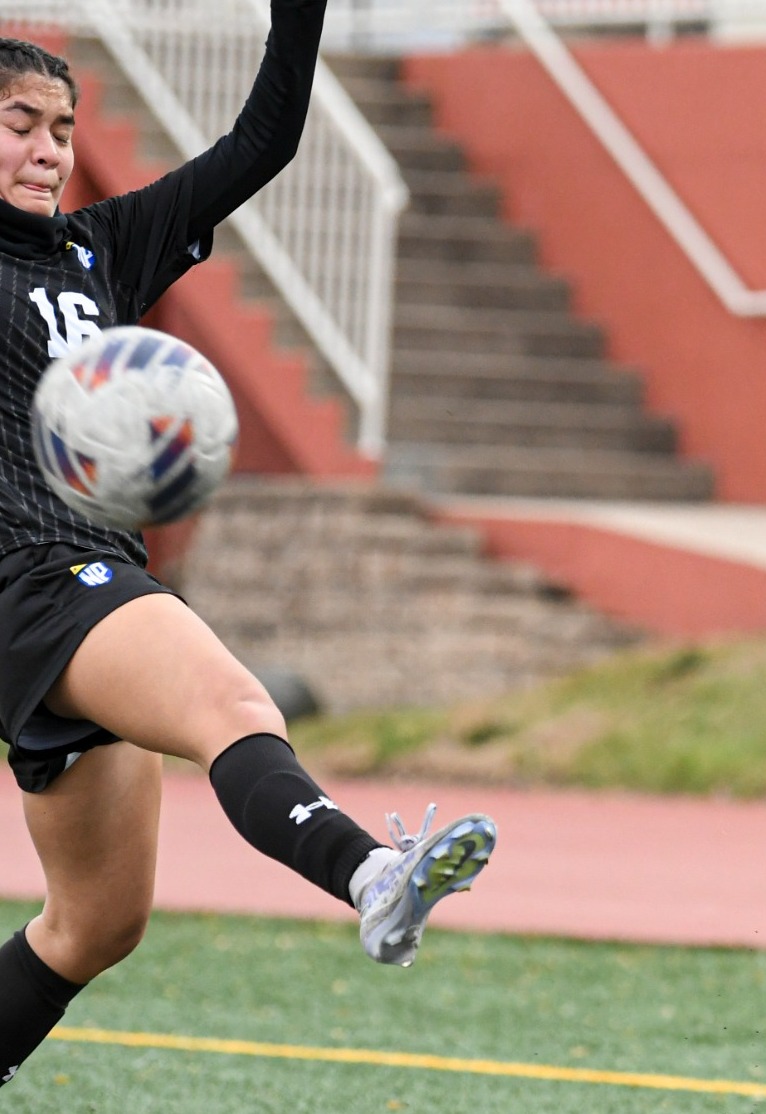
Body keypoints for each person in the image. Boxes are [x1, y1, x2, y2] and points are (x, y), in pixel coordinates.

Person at [0, 7, 496, 1089]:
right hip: (35, 585)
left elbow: (262, 144)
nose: (47, 150)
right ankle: (373, 872)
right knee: (232, 708)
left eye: (62, 127)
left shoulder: (96, 248)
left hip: (98, 586)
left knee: (92, 926)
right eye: (18, 123)